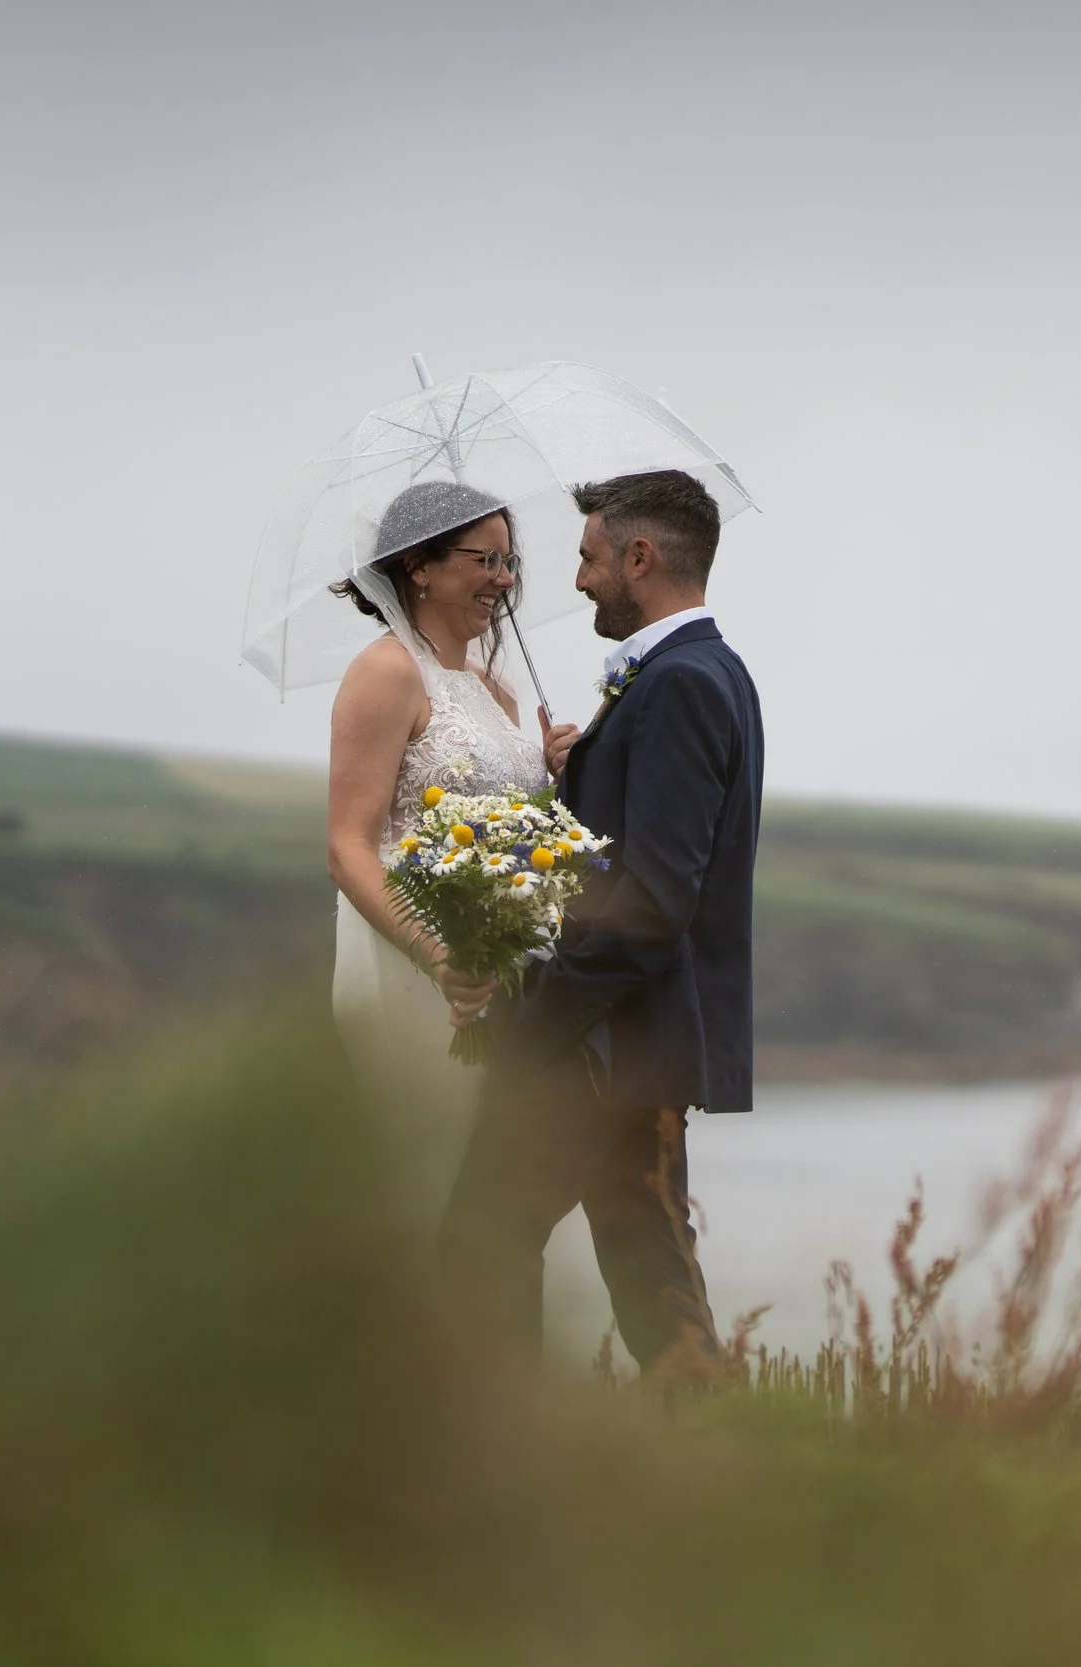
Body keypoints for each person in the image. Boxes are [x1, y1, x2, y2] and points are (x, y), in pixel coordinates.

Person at [444, 468, 765, 1375]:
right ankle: (707, 1471)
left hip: (600, 1047)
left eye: (588, 559)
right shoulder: (699, 675)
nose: (578, 580)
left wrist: (537, 1017)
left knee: (481, 1245)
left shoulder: (681, 685)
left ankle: (501, 1453)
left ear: (639, 556)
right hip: (629, 1046)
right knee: (651, 1280)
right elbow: (636, 853)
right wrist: (582, 772)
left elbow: (654, 901)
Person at [326, 479, 550, 1226]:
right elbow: (347, 844)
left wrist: (556, 769)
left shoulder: (497, 692)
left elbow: (522, 838)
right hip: (411, 965)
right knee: (424, 1190)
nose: (505, 580)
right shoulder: (387, 673)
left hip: (500, 967)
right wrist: (435, 954)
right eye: (485, 559)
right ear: (420, 566)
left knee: (496, 1200)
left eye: (510, 561)